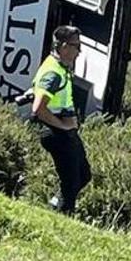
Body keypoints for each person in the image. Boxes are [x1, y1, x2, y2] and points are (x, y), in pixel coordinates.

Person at [31, 25, 91, 215]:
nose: (79, 51)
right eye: (76, 46)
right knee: (71, 182)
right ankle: (62, 216)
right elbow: (38, 109)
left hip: (66, 131)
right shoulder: (53, 73)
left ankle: (56, 205)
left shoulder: (61, 66)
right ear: (64, 47)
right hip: (56, 133)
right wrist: (63, 126)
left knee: (83, 175)